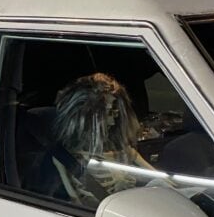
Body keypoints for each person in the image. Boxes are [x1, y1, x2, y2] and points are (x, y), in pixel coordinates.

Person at [37, 73, 154, 208]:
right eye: (107, 114)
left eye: (115, 113)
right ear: (87, 117)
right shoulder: (65, 159)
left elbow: (165, 183)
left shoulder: (125, 152)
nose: (112, 121)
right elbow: (76, 202)